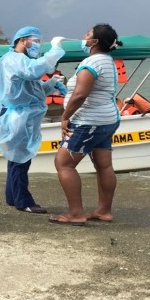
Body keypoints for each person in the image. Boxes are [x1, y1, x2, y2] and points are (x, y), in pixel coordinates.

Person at [0, 27, 65, 213]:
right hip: (19, 116)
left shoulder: (16, 60)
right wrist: (55, 49)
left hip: (20, 114)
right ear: (21, 40)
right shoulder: (16, 60)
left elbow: (31, 91)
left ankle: (12, 197)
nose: (37, 45)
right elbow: (33, 72)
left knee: (16, 158)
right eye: (34, 41)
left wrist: (51, 84)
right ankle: (24, 202)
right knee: (21, 159)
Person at [49, 23, 123, 225]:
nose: (84, 36)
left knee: (64, 163)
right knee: (104, 165)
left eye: (88, 34)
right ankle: (103, 211)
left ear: (95, 41)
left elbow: (80, 94)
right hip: (107, 120)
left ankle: (76, 214)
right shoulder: (107, 61)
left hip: (88, 122)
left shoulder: (92, 63)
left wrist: (65, 117)